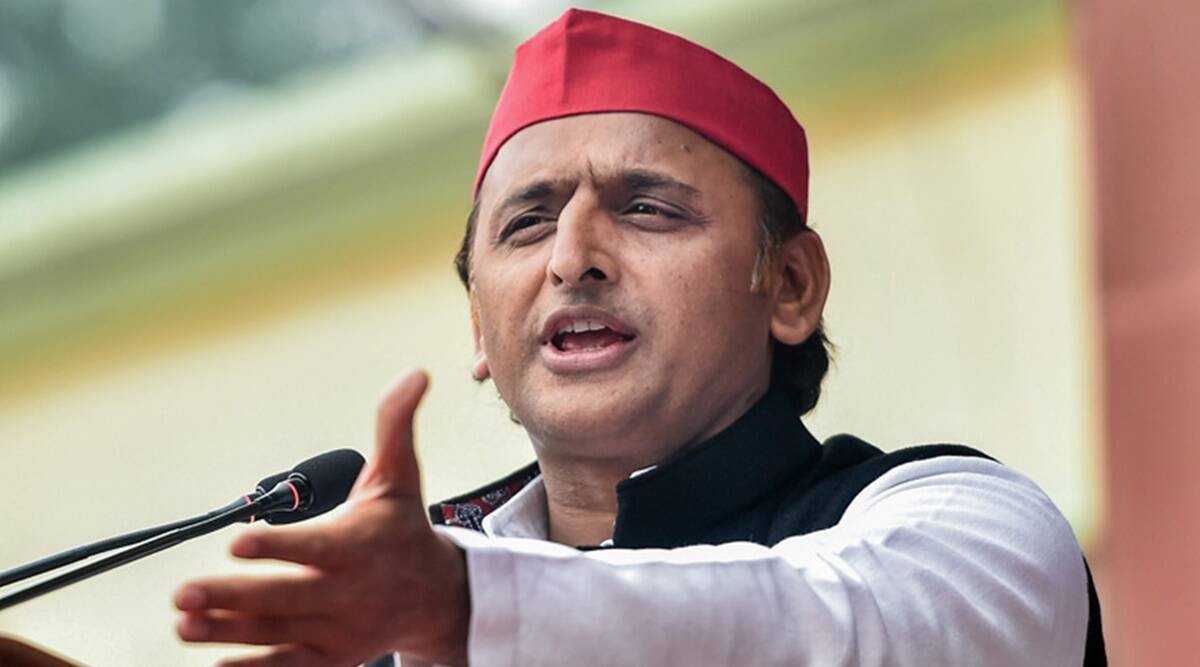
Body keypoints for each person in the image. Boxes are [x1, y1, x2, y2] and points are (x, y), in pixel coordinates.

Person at [174, 9, 1105, 666]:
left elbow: (822, 630)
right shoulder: (393, 630)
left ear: (789, 285)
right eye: (527, 224)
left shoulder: (971, 532)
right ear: (479, 326)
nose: (572, 258)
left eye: (648, 208)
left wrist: (467, 604)